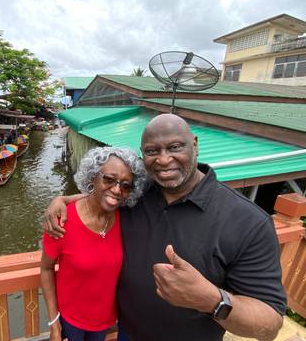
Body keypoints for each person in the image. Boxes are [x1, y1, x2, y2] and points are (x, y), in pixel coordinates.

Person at [44, 114, 286, 341]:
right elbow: (103, 194)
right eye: (152, 151)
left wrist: (212, 300)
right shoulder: (136, 194)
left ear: (195, 144)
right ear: (143, 154)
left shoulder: (248, 221)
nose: (163, 159)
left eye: (175, 147)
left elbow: (270, 323)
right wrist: (61, 200)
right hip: (127, 333)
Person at [41, 147, 147, 341]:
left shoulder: (125, 216)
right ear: (92, 178)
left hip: (106, 320)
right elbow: (46, 269)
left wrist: (61, 197)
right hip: (70, 320)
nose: (116, 189)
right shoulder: (62, 221)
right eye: (108, 179)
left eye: (125, 185)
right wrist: (54, 322)